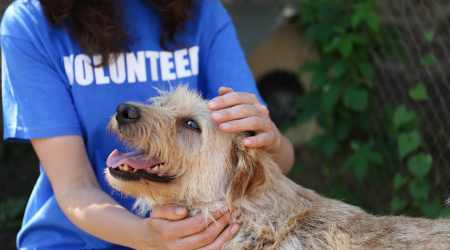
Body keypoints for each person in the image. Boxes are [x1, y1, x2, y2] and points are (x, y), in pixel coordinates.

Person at [1, 0, 295, 249]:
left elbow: (267, 162)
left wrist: (274, 142)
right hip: (73, 240)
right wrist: (147, 238)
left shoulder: (202, 10)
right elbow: (74, 184)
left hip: (198, 238)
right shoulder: (30, 23)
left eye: (189, 124)